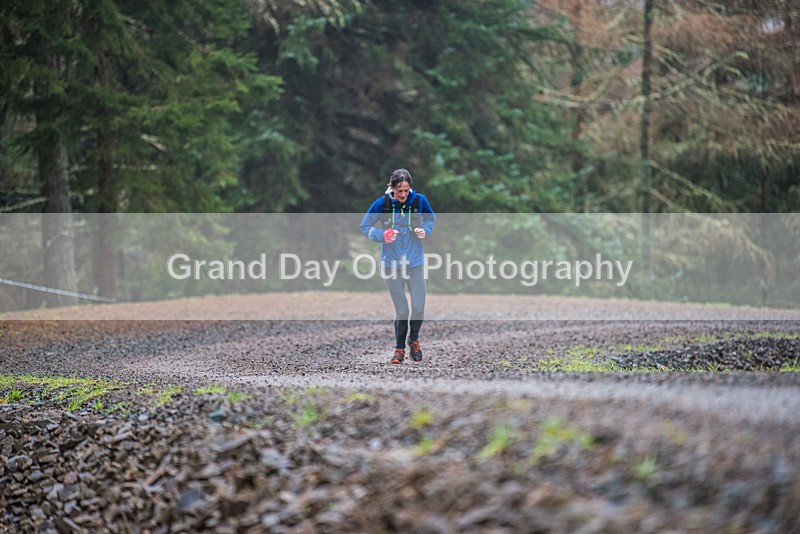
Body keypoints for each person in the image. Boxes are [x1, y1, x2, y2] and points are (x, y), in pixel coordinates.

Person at [359, 168, 436, 364]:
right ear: (391, 188)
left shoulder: (419, 201)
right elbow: (364, 226)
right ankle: (399, 349)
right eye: (399, 191)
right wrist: (381, 235)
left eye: (406, 190)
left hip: (415, 264)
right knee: (402, 311)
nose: (403, 195)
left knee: (418, 308)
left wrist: (424, 231)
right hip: (391, 265)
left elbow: (430, 219)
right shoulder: (382, 204)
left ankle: (414, 339)